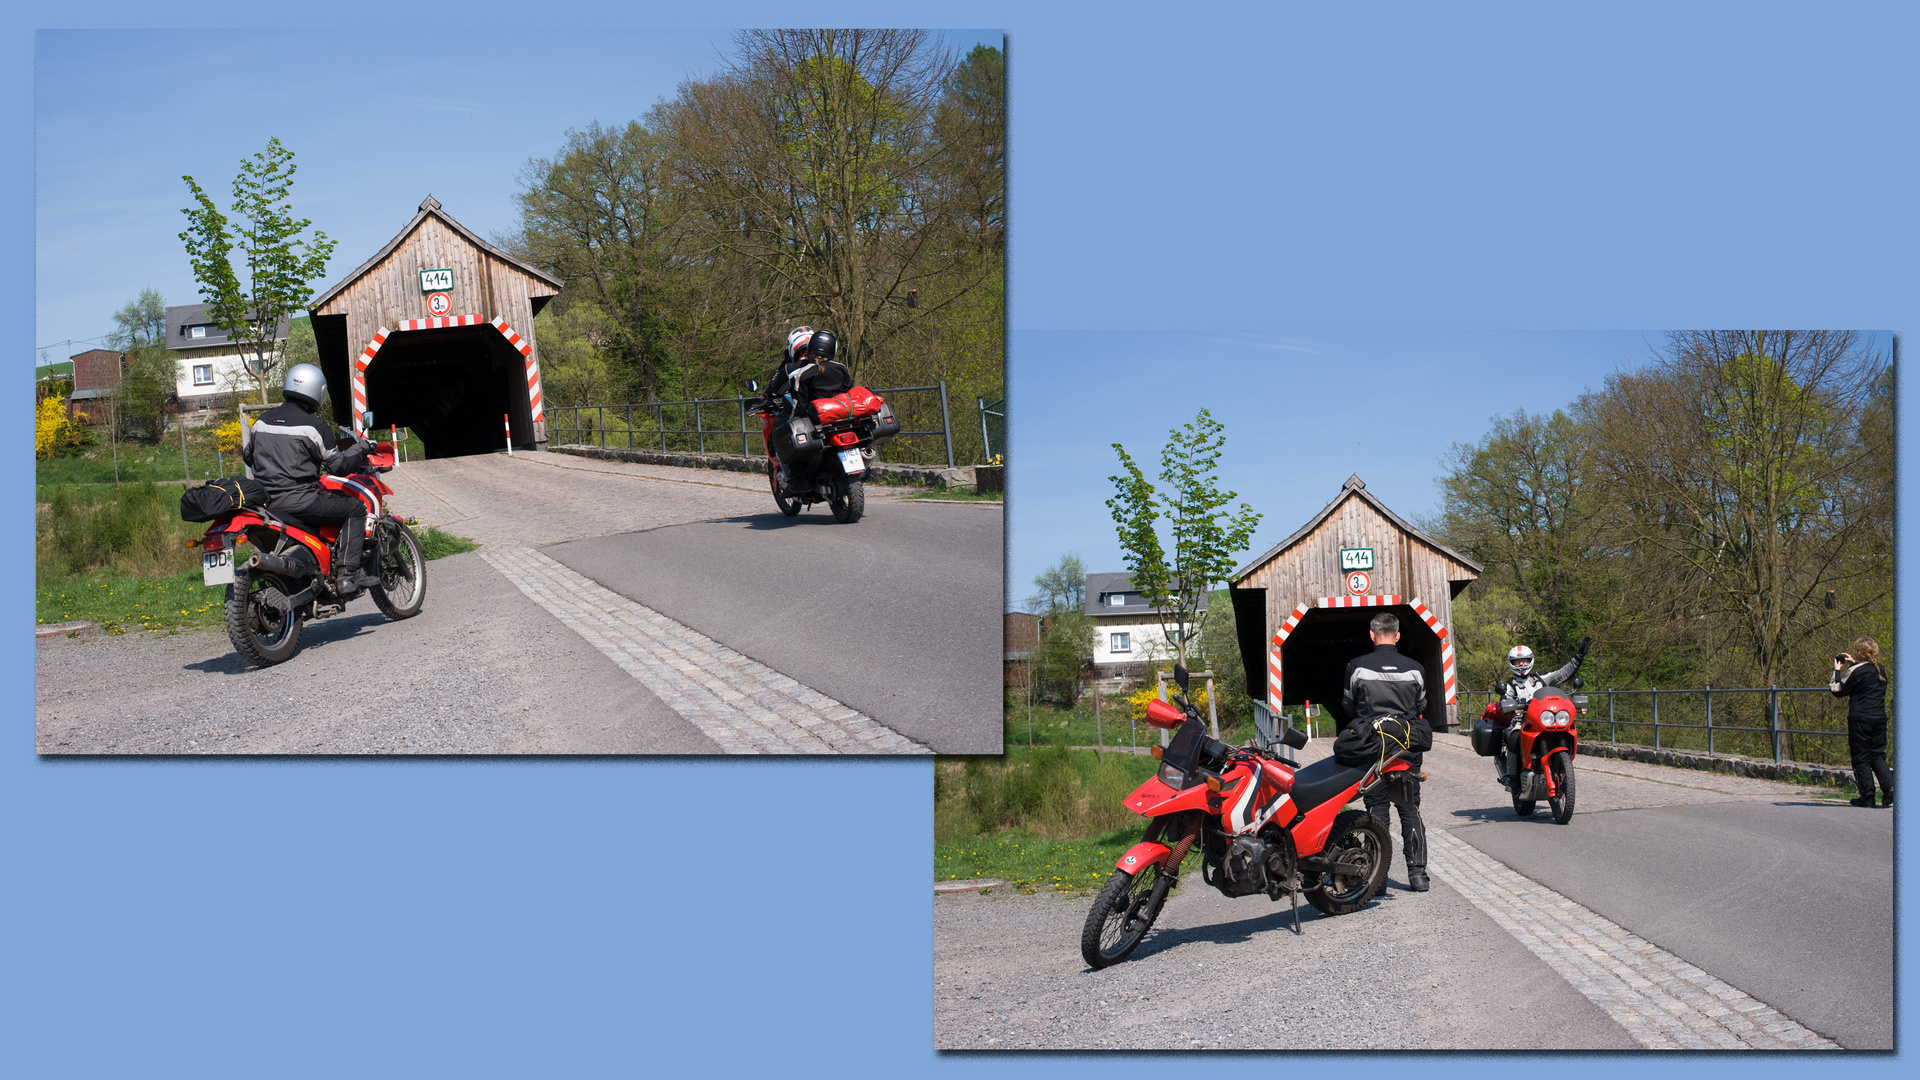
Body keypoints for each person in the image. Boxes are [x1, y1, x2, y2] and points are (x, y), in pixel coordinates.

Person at [242, 363, 378, 596]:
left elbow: (248, 456)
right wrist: (362, 448)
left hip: (267, 504)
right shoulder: (314, 427)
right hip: (302, 502)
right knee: (355, 509)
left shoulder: (261, 422)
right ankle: (347, 576)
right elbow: (340, 466)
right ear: (317, 391)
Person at [1340, 611, 1430, 892]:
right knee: (1409, 809)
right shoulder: (1415, 668)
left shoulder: (1357, 667)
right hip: (1406, 749)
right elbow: (1422, 705)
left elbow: (1347, 706)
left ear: (1372, 634)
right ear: (1398, 636)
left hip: (1374, 749)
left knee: (1377, 811)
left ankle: (1376, 880)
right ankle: (1418, 876)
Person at [1492, 639, 1588, 789]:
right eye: (1518, 662)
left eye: (1524, 661)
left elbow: (1562, 673)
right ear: (1512, 663)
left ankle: (1562, 769)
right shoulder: (1509, 686)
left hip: (1545, 719)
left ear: (1530, 661)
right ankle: (1512, 776)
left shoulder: (1541, 678)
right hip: (1522, 721)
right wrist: (1509, 706)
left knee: (1565, 731)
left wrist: (1579, 657)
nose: (1522, 664)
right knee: (1513, 738)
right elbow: (1505, 702)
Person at [1831, 638, 1892, 808]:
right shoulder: (1880, 669)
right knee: (1877, 755)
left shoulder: (1856, 670)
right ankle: (1890, 787)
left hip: (1860, 720)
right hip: (1879, 718)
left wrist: (1837, 670)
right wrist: (1854, 664)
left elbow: (1837, 689)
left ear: (1858, 652)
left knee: (1861, 758)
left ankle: (1867, 797)